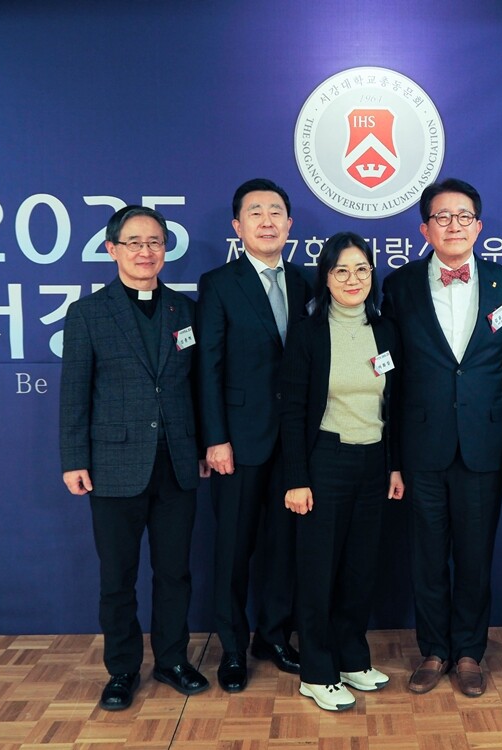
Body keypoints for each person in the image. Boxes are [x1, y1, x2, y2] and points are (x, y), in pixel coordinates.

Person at [59, 205, 210, 711]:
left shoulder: (184, 310)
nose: (146, 252)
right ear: (113, 249)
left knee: (175, 573)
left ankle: (172, 660)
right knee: (118, 578)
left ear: (165, 249)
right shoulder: (88, 313)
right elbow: (74, 394)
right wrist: (73, 459)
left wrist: (203, 446)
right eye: (134, 243)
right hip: (113, 466)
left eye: (155, 242)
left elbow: (197, 387)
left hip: (178, 464)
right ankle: (122, 669)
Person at [381, 178, 502, 697]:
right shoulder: (399, 285)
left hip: (483, 444)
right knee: (427, 557)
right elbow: (391, 378)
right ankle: (434, 650)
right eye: (442, 217)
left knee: (475, 557)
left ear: (478, 226)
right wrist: (394, 459)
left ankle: (468, 652)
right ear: (425, 229)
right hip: (422, 446)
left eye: (463, 216)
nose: (454, 225)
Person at [279, 232, 404, 711]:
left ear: (373, 274)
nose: (353, 279)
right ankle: (316, 671)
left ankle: (352, 658)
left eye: (362, 270)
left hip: (373, 462)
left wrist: (394, 467)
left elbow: (394, 405)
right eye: (342, 271)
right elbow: (293, 411)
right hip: (324, 463)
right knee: (318, 571)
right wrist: (297, 478)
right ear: (326, 278)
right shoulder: (309, 332)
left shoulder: (385, 330)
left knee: (360, 568)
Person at [196, 178, 311, 691]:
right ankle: (232, 648)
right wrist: (215, 437)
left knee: (284, 547)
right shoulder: (220, 284)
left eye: (276, 212)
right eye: (256, 212)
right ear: (237, 226)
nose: (267, 221)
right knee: (233, 550)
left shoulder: (307, 283)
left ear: (290, 224)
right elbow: (207, 367)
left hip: (294, 442)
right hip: (238, 443)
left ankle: (273, 636)